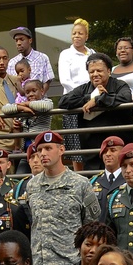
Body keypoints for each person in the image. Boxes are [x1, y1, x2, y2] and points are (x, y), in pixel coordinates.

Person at [20, 130, 101, 265]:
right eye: (39, 150)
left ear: (61, 150)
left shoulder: (81, 184)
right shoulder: (32, 185)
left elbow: (91, 226)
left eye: (48, 148)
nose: (42, 153)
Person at [58, 53, 133, 168]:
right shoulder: (84, 89)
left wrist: (98, 100)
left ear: (109, 71)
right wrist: (89, 98)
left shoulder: (120, 85)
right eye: (91, 72)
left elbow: (126, 98)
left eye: (99, 71)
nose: (95, 74)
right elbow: (63, 101)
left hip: (121, 150)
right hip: (92, 155)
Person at [58, 19, 95, 171]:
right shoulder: (66, 54)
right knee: (75, 147)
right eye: (74, 33)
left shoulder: (93, 53)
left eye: (80, 33)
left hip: (92, 102)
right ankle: (79, 177)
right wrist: (82, 97)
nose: (76, 36)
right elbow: (65, 80)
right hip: (73, 103)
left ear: (86, 36)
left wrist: (93, 96)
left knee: (92, 141)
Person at [8, 26, 54, 93]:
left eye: (22, 39)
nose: (18, 43)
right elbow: (10, 85)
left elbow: (47, 81)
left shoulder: (42, 58)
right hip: (19, 102)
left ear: (30, 40)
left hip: (39, 102)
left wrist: (39, 96)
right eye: (16, 40)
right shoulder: (12, 63)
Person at [88, 136, 126, 215]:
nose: (108, 154)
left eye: (113, 150)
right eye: (105, 151)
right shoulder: (92, 182)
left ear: (122, 153)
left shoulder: (130, 179)